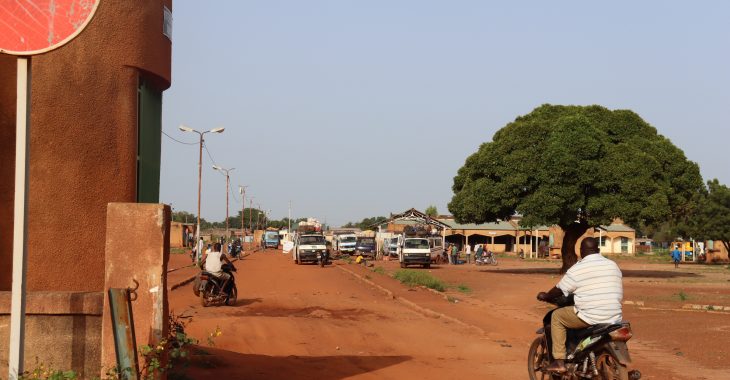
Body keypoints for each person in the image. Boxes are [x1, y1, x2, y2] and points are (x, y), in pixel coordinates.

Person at [536, 237, 623, 373]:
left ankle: (559, 361)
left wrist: (546, 296)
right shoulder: (613, 265)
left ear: (581, 251)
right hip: (614, 317)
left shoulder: (578, 268)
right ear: (598, 250)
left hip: (591, 316)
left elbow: (559, 289)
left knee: (557, 317)